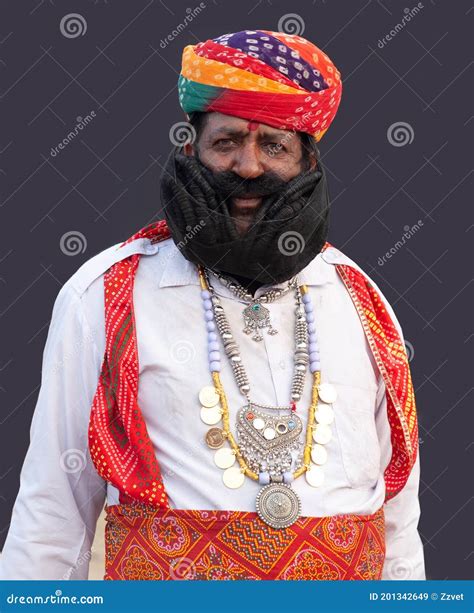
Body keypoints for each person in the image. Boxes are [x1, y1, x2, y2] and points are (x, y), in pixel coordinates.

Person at [0, 29, 425, 581]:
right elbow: (53, 506)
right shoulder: (106, 294)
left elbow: (398, 514)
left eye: (274, 145)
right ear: (190, 149)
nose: (247, 167)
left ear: (308, 162)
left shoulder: (359, 297)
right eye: (225, 142)